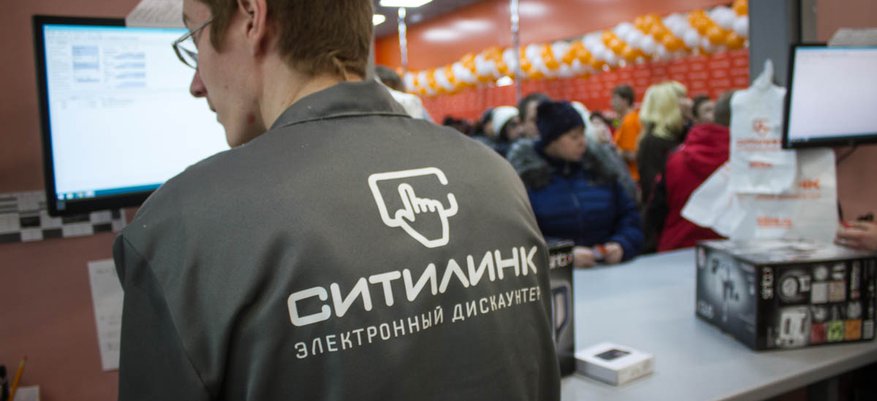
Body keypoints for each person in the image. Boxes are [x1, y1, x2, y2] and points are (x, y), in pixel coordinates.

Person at [112, 1, 561, 400]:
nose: (196, 84)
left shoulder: (180, 229)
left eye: (195, 39)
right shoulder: (496, 178)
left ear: (251, 16)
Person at [507, 100, 643, 268]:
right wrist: (562, 255)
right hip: (555, 278)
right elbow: (518, 237)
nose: (582, 142)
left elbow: (630, 217)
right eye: (574, 137)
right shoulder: (525, 180)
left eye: (582, 134)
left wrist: (622, 244)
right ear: (551, 140)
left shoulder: (601, 170)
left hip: (609, 271)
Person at [648, 91, 734, 252]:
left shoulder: (676, 158)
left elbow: (657, 209)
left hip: (676, 248)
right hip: (729, 253)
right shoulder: (750, 161)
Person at [610, 84, 641, 183]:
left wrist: (613, 152)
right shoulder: (625, 119)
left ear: (625, 100)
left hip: (633, 177)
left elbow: (632, 155)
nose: (611, 103)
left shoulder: (629, 121)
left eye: (615, 99)